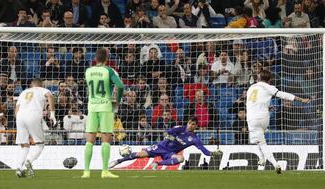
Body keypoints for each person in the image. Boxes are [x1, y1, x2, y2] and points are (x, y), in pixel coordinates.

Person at [246, 70, 309, 174]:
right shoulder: (269, 87)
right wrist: (301, 99)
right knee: (259, 137)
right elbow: (283, 95)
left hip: (252, 118)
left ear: (259, 78)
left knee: (261, 142)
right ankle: (261, 159)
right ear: (269, 79)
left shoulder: (251, 88)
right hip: (264, 117)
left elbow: (252, 102)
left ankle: (275, 164)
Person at [108, 116, 223, 170]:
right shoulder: (180, 128)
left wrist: (213, 153)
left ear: (196, 126)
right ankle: (117, 161)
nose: (190, 125)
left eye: (193, 124)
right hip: (161, 146)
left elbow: (204, 151)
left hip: (170, 153)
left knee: (180, 159)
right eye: (189, 123)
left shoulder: (195, 139)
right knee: (138, 155)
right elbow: (166, 132)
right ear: (187, 123)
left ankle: (158, 164)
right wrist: (170, 137)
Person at [82, 48, 124, 179]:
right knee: (106, 138)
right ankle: (105, 171)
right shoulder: (109, 71)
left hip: (92, 106)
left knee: (90, 139)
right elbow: (120, 86)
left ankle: (86, 172)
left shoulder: (88, 71)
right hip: (105, 107)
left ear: (95, 58)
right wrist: (117, 100)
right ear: (107, 58)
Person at [15, 78, 56, 178]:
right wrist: (52, 114)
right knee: (40, 144)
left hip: (20, 116)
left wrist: (19, 120)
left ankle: (19, 168)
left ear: (31, 85)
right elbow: (50, 96)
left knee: (24, 145)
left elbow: (17, 108)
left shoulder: (23, 92)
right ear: (40, 84)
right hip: (33, 115)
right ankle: (30, 160)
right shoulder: (43, 90)